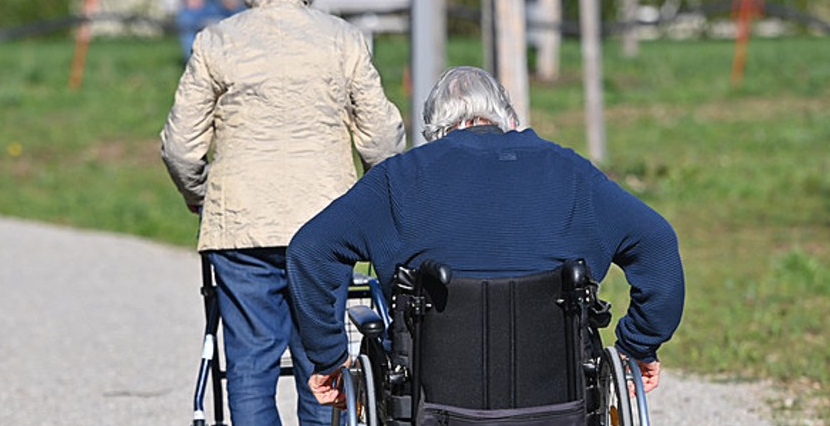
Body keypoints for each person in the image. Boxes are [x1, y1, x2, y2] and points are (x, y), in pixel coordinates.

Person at [160, 0, 406, 426]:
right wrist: (371, 201)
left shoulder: (217, 41)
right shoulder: (342, 40)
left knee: (248, 361)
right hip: (325, 225)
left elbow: (180, 145)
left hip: (241, 223)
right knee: (324, 354)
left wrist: (200, 196)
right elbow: (380, 138)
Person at [287, 66, 685, 406]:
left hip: (432, 394)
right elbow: (658, 244)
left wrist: (330, 357)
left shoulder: (398, 178)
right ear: (508, 118)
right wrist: (637, 345)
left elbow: (310, 249)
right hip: (557, 393)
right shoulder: (570, 171)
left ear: (433, 131)